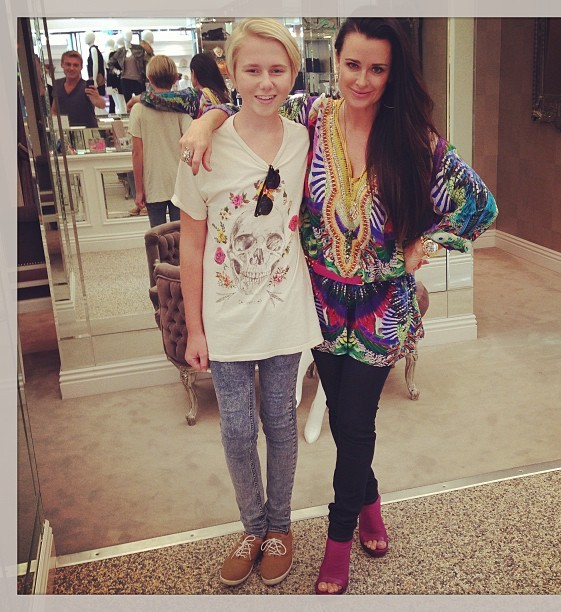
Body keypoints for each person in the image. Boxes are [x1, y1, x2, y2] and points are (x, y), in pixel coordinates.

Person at [142, 17, 498, 595]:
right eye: (352, 64)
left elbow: (479, 205)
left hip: (382, 307)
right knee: (347, 420)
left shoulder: (413, 139)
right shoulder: (311, 116)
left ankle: (337, 542)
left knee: (354, 425)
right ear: (335, 61)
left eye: (377, 68)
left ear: (392, 73)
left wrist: (426, 244)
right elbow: (244, 100)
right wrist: (206, 122)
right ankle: (370, 502)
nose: (362, 79)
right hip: (320, 302)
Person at [172, 18, 322, 588]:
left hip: (284, 311)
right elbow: (191, 243)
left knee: (280, 422)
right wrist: (195, 328)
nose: (265, 82)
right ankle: (252, 528)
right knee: (236, 430)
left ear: (293, 74)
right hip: (226, 318)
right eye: (252, 69)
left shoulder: (304, 139)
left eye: (277, 70)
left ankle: (280, 526)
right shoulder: (203, 149)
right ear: (230, 74)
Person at [127, 55, 192, 225]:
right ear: (175, 78)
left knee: (157, 234)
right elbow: (188, 143)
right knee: (181, 234)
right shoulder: (181, 107)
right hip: (179, 182)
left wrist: (138, 190)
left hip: (153, 183)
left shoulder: (138, 109)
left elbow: (137, 152)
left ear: (149, 78)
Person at [51, 50, 106, 128]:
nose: (71, 68)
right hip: (66, 131)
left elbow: (102, 105)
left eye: (76, 65)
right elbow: (54, 110)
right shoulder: (57, 84)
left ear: (81, 67)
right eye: (68, 64)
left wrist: (97, 99)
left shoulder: (86, 86)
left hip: (88, 132)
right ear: (62, 65)